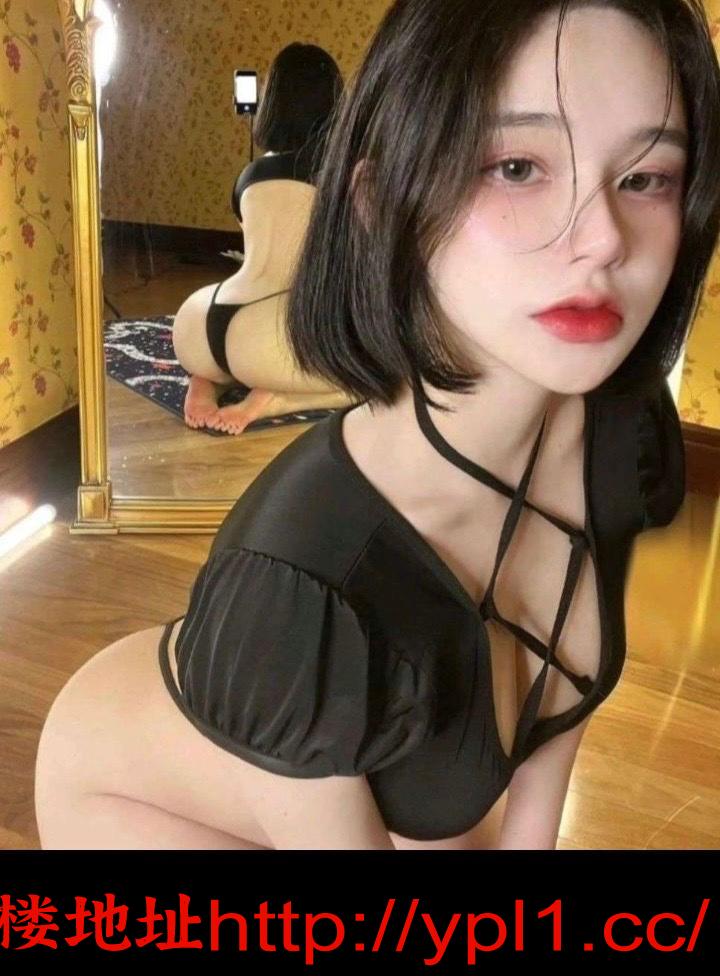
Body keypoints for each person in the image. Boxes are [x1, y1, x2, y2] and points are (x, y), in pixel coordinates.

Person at [35, 0, 719, 850]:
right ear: (379, 201)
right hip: (132, 798)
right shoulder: (301, 577)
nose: (604, 239)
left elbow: (550, 746)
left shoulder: (625, 435)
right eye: (517, 167)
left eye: (646, 178)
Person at [174, 42, 353, 435]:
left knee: (239, 336)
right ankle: (277, 399)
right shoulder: (340, 175)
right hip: (268, 333)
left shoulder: (249, 175)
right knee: (389, 378)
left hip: (199, 326)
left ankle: (206, 380)